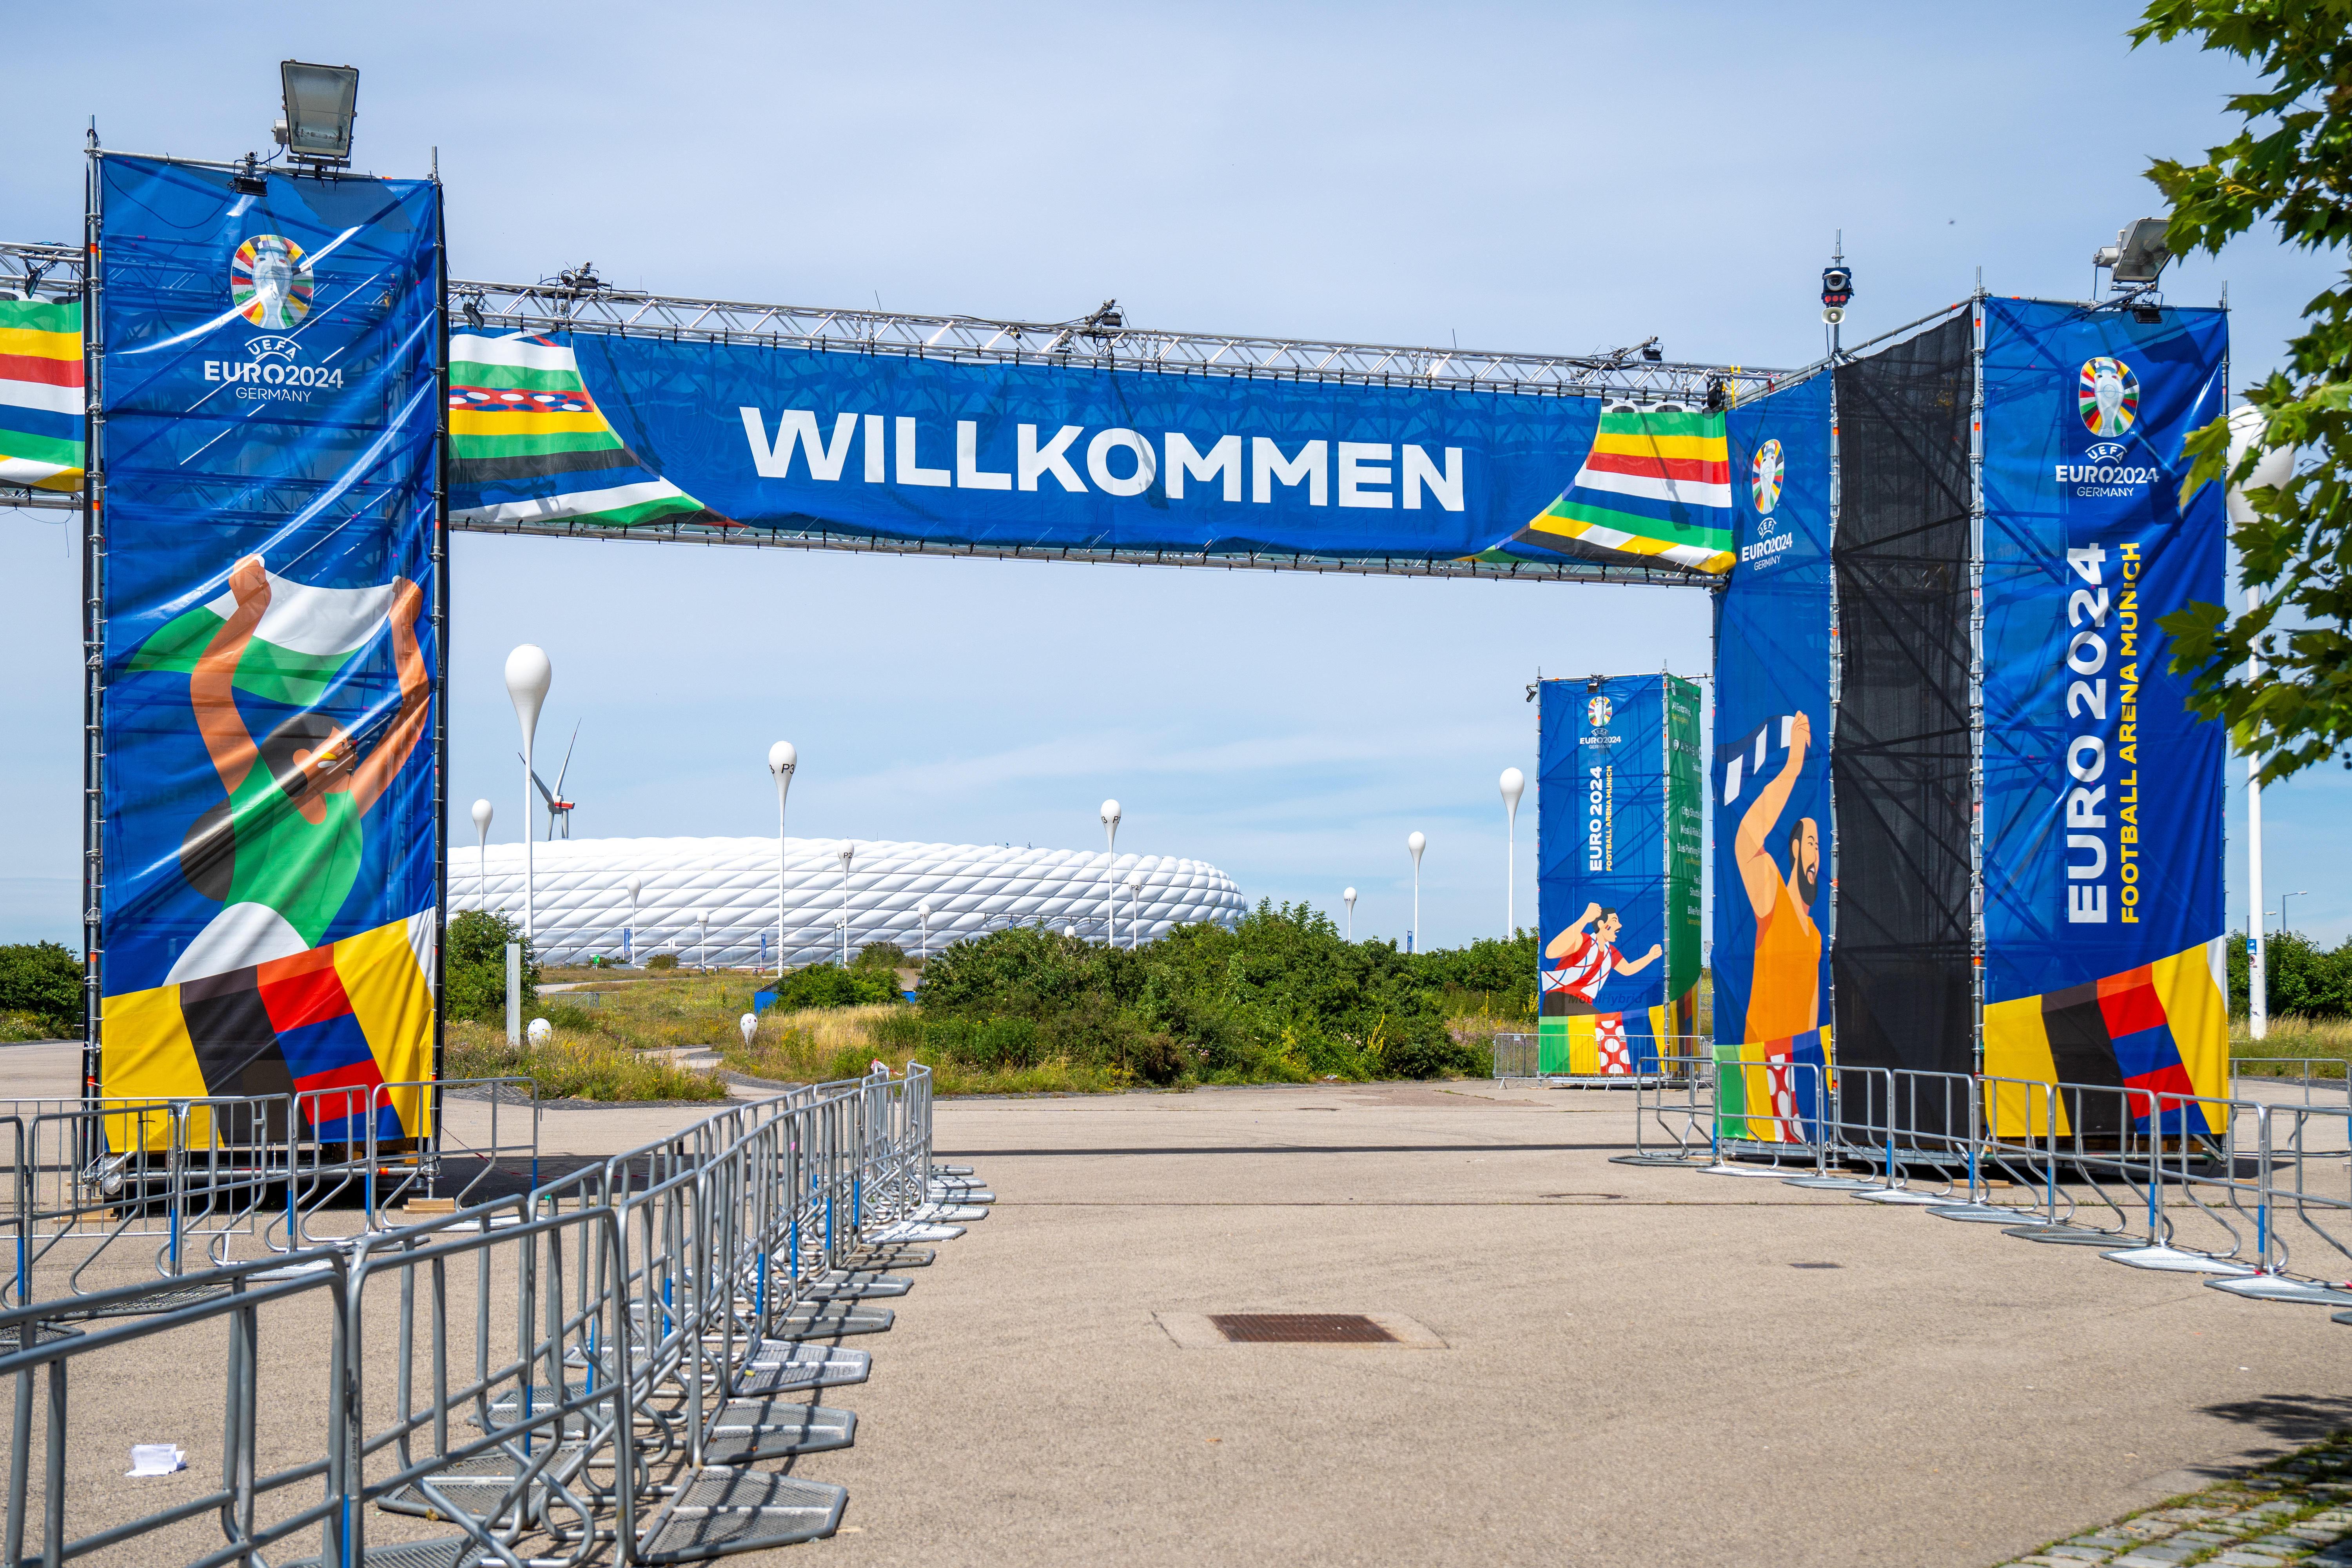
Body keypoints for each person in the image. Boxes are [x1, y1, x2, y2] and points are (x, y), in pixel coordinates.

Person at [176, 554, 429, 964]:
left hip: (280, 978)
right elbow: (208, 687)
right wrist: (252, 609)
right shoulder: (261, 792)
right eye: (337, 742)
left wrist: (403, 629)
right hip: (217, 975)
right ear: (298, 755)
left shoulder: (343, 809)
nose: (351, 747)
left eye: (348, 751)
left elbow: (413, 714)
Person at [1735, 709, 1822, 1043]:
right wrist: (1793, 765)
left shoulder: (1814, 936)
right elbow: (1747, 840)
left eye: (1819, 847)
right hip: (1765, 1065)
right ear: (1796, 850)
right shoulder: (1774, 895)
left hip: (1798, 1069)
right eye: (1811, 844)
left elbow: (1812, 1011)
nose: (1816, 855)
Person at [1541, 902, 1661, 1013]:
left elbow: (1627, 969)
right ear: (1601, 925)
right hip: (1559, 999)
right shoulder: (1584, 940)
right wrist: (1584, 919)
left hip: (1581, 1004)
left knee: (1602, 1028)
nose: (1620, 925)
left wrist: (1650, 957)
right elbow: (1551, 952)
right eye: (1615, 921)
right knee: (1603, 1026)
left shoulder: (1610, 952)